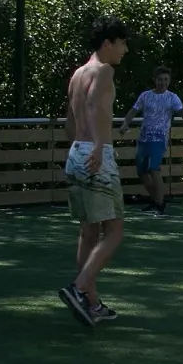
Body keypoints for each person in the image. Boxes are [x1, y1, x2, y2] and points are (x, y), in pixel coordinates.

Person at [60, 17, 130, 326]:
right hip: (95, 154)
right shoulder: (104, 70)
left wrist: (81, 147)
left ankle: (93, 303)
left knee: (88, 231)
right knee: (114, 231)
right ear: (108, 43)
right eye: (122, 43)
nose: (125, 50)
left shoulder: (77, 74)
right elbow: (93, 106)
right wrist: (101, 146)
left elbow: (69, 120)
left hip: (76, 152)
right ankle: (79, 288)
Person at [123, 65, 183, 215]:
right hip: (144, 137)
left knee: (154, 169)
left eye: (165, 80)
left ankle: (160, 203)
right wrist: (126, 123)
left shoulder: (172, 97)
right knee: (142, 171)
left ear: (169, 81)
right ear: (155, 80)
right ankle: (154, 200)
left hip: (159, 137)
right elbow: (134, 109)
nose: (162, 82)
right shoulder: (146, 95)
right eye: (160, 79)